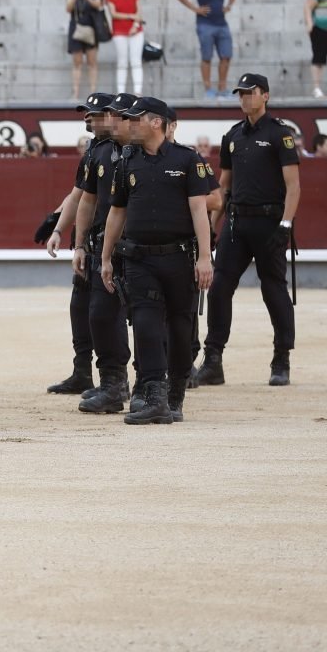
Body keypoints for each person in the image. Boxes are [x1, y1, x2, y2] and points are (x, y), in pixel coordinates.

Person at [100, 97, 213, 425]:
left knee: (180, 327)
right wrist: (106, 257)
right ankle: (153, 394)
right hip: (138, 259)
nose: (129, 125)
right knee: (146, 324)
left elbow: (199, 211)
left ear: (156, 123)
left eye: (136, 119)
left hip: (179, 258)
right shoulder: (126, 162)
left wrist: (205, 258)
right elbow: (116, 212)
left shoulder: (187, 159)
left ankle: (175, 393)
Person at [192, 73, 301, 389]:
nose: (244, 98)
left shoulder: (280, 135)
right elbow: (224, 186)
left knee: (273, 290)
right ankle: (213, 360)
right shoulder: (233, 136)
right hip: (236, 224)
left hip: (269, 224)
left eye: (249, 93)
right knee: (219, 288)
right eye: (240, 94)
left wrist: (286, 224)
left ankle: (282, 358)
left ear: (265, 95)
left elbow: (293, 187)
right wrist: (213, 227)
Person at [66, 93, 134, 414]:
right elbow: (87, 200)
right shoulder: (101, 152)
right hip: (102, 246)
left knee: (149, 320)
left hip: (138, 247)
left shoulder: (147, 155)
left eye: (115, 114)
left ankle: (155, 384)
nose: (107, 119)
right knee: (101, 316)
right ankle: (113, 383)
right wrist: (79, 244)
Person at [175, 0, 237, 99]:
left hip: (222, 24)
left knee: (226, 56)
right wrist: (195, 9)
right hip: (205, 25)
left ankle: (222, 88)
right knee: (207, 57)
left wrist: (228, 6)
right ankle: (208, 89)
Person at [105, 0, 143, 94]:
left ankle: (137, 91)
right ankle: (121, 92)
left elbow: (139, 12)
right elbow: (113, 13)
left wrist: (135, 25)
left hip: (135, 31)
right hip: (119, 31)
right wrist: (130, 16)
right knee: (122, 61)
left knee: (136, 60)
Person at [67, 0, 104, 98]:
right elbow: (68, 8)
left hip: (91, 29)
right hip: (76, 30)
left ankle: (93, 92)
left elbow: (98, 5)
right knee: (77, 62)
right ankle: (75, 93)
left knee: (92, 62)